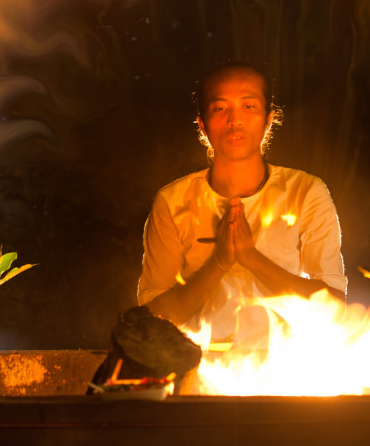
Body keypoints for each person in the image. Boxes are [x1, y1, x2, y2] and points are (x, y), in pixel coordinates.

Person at [137, 62, 346, 345]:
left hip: (287, 369)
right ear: (202, 124)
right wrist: (219, 263)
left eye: (249, 106)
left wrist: (253, 260)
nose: (235, 120)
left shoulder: (306, 193)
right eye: (220, 108)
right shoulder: (173, 202)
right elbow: (150, 318)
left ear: (268, 119)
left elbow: (334, 308)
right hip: (198, 368)